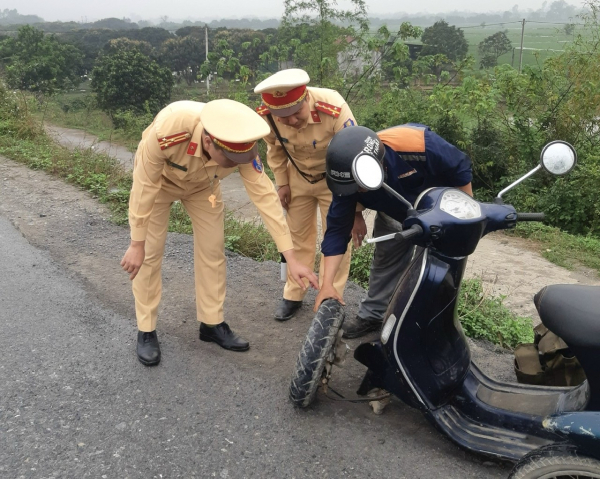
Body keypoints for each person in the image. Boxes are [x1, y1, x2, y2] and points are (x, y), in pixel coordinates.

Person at [120, 99, 318, 366]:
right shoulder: (169, 130)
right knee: (149, 255)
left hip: (204, 189)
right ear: (209, 142)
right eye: (231, 161)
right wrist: (136, 243)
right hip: (159, 186)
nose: (235, 166)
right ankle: (146, 329)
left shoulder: (241, 141)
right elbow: (143, 188)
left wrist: (290, 258)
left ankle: (211, 324)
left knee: (213, 251)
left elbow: (265, 198)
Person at [314, 124, 473, 338]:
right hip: (394, 214)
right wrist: (327, 284)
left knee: (435, 273)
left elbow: (460, 168)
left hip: (438, 215)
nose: (357, 192)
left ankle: (427, 327)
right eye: (350, 187)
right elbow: (336, 232)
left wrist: (463, 216)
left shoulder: (416, 144)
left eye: (359, 186)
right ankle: (372, 316)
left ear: (380, 165)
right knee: (385, 263)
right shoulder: (346, 178)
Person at [254, 68, 359, 321]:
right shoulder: (268, 118)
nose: (290, 122)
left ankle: (330, 295)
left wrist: (356, 210)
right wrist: (282, 184)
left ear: (305, 98)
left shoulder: (332, 106)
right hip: (297, 177)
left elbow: (355, 154)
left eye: (295, 114)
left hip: (335, 181)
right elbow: (274, 150)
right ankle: (293, 293)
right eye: (283, 118)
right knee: (297, 235)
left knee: (336, 237)